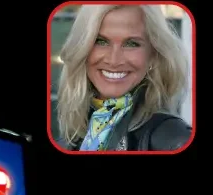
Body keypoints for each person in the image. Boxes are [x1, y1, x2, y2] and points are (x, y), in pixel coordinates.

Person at [56, 5, 192, 152]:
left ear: (153, 56)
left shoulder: (173, 140)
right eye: (101, 41)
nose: (114, 60)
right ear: (82, 49)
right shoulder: (71, 139)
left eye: (131, 44)